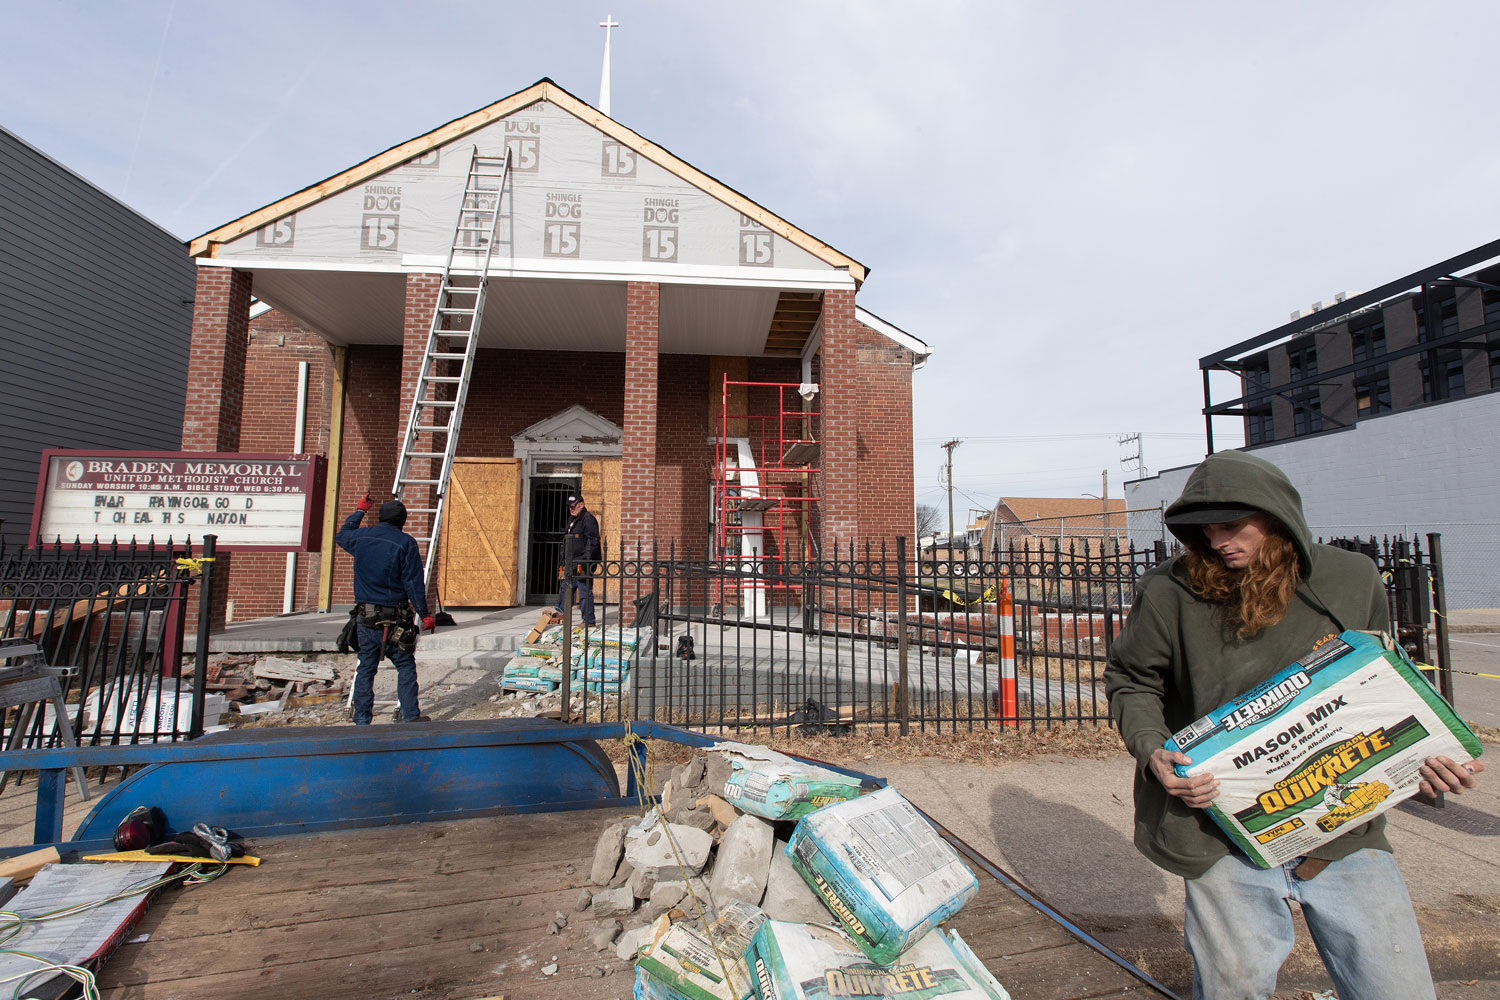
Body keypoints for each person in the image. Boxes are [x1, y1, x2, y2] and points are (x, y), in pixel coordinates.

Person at [1104, 451, 1483, 1000]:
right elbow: (1133, 679)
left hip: (1344, 828)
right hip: (1220, 830)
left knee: (1395, 985)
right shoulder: (1170, 590)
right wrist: (1153, 749)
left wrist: (1424, 760)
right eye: (1205, 530)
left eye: (1232, 526)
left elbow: (1385, 685)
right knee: (1233, 985)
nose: (1217, 542)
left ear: (1276, 515)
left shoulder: (1351, 580)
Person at [336, 494, 435, 724]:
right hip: (397, 619)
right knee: (405, 665)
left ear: (380, 517)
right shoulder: (405, 543)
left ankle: (362, 721)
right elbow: (413, 583)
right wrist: (425, 614)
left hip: (367, 618)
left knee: (366, 668)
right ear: (403, 521)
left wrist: (360, 511)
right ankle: (411, 717)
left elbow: (342, 535)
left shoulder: (360, 538)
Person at [554, 493, 601, 626]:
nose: (571, 509)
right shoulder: (573, 520)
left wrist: (584, 561)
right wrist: (564, 561)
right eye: (569, 507)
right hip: (571, 562)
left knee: (584, 591)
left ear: (581, 505)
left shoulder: (588, 519)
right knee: (566, 587)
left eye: (574, 506)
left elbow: (593, 542)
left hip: (583, 563)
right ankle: (561, 612)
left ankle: (589, 621)